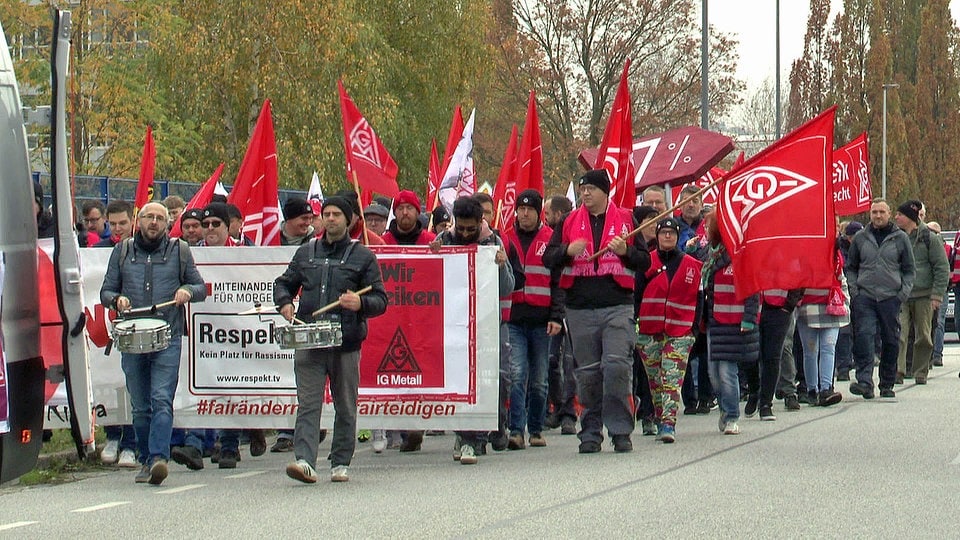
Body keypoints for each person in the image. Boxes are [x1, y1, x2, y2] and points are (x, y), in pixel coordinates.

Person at [274, 196, 388, 483]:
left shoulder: (363, 256)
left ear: (349, 219)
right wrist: (285, 302)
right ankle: (304, 461)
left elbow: (380, 299)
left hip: (346, 342)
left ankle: (340, 461)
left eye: (337, 213)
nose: (331, 218)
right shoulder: (306, 252)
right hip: (310, 339)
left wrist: (360, 304)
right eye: (326, 213)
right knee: (308, 403)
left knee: (345, 404)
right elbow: (283, 283)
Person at [99, 202, 207, 485]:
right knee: (140, 405)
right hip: (133, 337)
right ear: (139, 220)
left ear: (167, 223)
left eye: (160, 218)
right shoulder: (121, 251)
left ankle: (159, 457)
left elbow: (201, 288)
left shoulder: (179, 251)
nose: (155, 222)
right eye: (149, 217)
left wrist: (186, 290)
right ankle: (147, 459)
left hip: (166, 337)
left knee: (161, 398)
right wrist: (116, 300)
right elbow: (106, 291)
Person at [543, 169, 650, 454]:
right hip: (579, 308)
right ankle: (590, 430)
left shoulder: (627, 220)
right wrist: (567, 250)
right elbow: (548, 259)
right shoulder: (567, 222)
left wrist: (626, 251)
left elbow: (644, 262)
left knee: (616, 367)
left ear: (605, 191)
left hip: (617, 306)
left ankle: (620, 430)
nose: (585, 194)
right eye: (582, 189)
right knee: (588, 374)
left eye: (590, 188)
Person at [430, 196, 516, 464]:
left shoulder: (494, 242)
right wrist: (431, 256)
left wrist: (501, 265)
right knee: (460, 380)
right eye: (461, 228)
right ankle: (469, 437)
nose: (466, 234)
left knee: (496, 377)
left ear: (482, 221)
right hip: (454, 323)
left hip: (488, 323)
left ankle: (496, 423)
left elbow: (508, 287)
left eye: (471, 229)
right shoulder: (444, 240)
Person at [504, 190, 564, 450]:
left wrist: (556, 316)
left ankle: (536, 428)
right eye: (521, 209)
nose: (524, 213)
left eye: (530, 209)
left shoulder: (550, 239)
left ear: (539, 212)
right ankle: (516, 430)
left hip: (542, 320)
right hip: (514, 318)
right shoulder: (504, 239)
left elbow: (558, 281)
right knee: (517, 374)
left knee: (540, 378)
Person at [636, 217, 702, 443]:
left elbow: (700, 299)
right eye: (663, 233)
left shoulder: (692, 265)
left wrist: (694, 329)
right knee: (655, 381)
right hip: (649, 330)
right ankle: (658, 414)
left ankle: (668, 423)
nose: (667, 237)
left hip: (680, 330)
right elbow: (636, 295)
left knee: (671, 379)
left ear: (677, 237)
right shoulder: (646, 262)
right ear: (656, 235)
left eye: (671, 233)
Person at [380, 190, 435, 452]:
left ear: (417, 212)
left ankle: (416, 423)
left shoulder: (430, 240)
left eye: (409, 208)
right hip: (392, 316)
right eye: (400, 208)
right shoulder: (383, 242)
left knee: (420, 371)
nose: (404, 213)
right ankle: (401, 427)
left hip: (423, 317)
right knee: (395, 374)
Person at [846, 199, 915, 399]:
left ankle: (887, 383)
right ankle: (865, 382)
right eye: (874, 212)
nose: (878, 216)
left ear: (889, 213)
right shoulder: (860, 238)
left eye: (881, 212)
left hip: (890, 297)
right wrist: (854, 291)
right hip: (865, 296)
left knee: (891, 341)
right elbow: (851, 267)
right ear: (870, 214)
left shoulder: (900, 238)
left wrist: (902, 294)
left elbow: (909, 270)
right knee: (864, 337)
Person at [700, 210, 759, 436]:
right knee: (714, 374)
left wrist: (749, 318)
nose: (705, 231)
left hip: (734, 321)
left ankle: (733, 415)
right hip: (715, 321)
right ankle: (725, 410)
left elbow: (752, 290)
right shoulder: (709, 255)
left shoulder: (740, 255)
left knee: (726, 372)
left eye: (709, 227)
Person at [93, 200, 139, 467]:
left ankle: (131, 443)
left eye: (123, 223)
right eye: (114, 224)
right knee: (108, 379)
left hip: (133, 324)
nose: (118, 228)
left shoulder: (138, 248)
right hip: (104, 325)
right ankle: (111, 434)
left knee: (131, 384)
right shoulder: (97, 250)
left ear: (132, 221)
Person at [893, 200, 948, 385]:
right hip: (901, 294)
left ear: (910, 217)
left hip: (924, 294)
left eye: (900, 214)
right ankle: (898, 371)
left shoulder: (929, 238)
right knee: (900, 333)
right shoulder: (896, 237)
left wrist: (937, 295)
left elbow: (941, 267)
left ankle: (920, 371)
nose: (896, 217)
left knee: (924, 335)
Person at [541, 195, 577, 434]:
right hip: (552, 308)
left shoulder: (575, 231)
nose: (545, 218)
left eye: (548, 214)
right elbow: (548, 260)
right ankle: (557, 405)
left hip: (574, 305)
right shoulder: (550, 239)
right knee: (552, 360)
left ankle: (568, 412)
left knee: (570, 361)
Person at [795, 249, 848, 407]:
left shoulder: (835, 256)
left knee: (828, 348)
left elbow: (841, 278)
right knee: (810, 351)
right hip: (808, 308)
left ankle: (826, 388)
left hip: (832, 306)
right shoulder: (803, 255)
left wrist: (846, 302)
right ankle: (812, 389)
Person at [835, 221, 863, 380]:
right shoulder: (840, 249)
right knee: (844, 331)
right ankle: (843, 367)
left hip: (860, 293)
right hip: (843, 294)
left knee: (861, 331)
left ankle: (858, 364)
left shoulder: (863, 248)